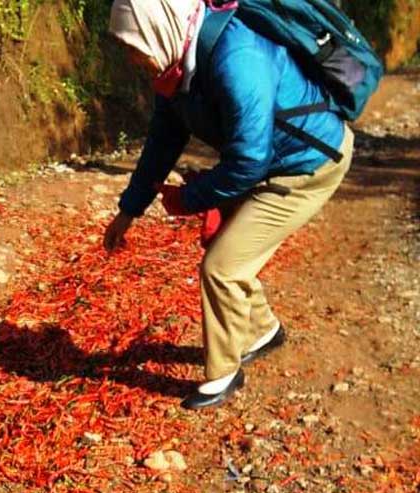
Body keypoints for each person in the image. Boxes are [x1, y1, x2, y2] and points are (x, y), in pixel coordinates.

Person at [102, 0, 354, 409]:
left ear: (158, 28)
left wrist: (189, 199)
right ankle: (262, 331)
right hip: (271, 160)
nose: (132, 58)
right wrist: (128, 210)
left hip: (310, 166)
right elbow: (163, 142)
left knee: (220, 267)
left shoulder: (237, 59)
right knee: (228, 246)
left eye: (133, 45)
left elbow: (248, 162)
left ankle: (223, 374)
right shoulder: (177, 66)